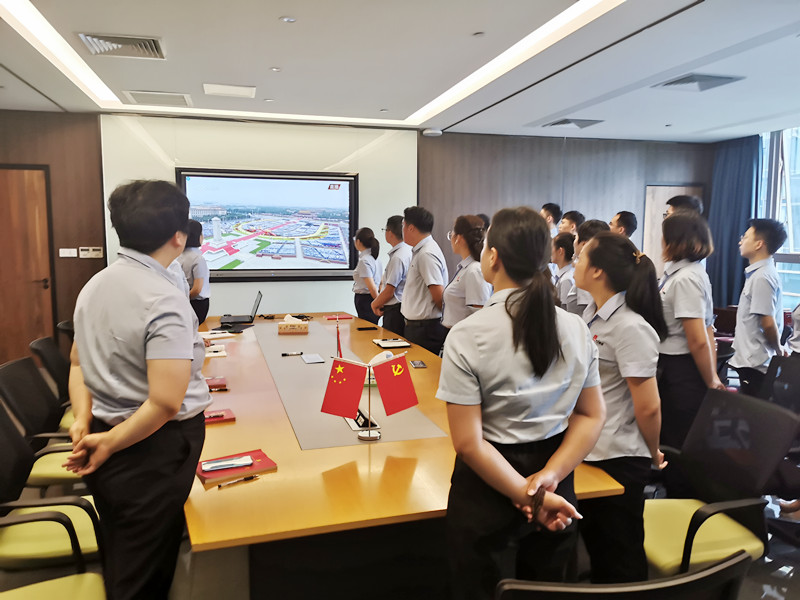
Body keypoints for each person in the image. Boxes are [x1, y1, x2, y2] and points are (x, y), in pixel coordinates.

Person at [437, 206, 605, 600]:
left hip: (489, 487)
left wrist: (528, 494)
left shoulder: (467, 335)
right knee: (546, 589)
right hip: (556, 475)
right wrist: (547, 480)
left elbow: (469, 443)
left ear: (493, 257)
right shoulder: (576, 327)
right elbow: (592, 415)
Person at [64, 180, 211, 600]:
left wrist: (82, 419)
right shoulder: (163, 298)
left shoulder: (95, 285)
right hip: (150, 449)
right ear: (178, 236)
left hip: (108, 436)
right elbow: (165, 402)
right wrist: (110, 443)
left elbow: (77, 363)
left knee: (126, 549)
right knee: (142, 572)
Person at [573, 232, 668, 582]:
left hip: (618, 456)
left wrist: (653, 453)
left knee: (620, 556)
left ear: (598, 271)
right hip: (589, 449)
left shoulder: (631, 327)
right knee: (598, 547)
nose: (575, 262)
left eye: (581, 256)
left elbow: (649, 407)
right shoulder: (591, 316)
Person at [657, 211, 723, 451]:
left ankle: (677, 477)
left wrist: (711, 380)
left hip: (681, 369)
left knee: (678, 439)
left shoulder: (687, 278)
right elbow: (707, 329)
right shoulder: (677, 274)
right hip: (673, 366)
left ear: (675, 240)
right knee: (671, 434)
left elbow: (698, 338)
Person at [729, 218, 788, 396]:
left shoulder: (762, 277)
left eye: (745, 237)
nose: (740, 241)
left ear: (759, 244)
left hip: (755, 364)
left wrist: (778, 350)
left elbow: (768, 323)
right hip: (750, 360)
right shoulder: (758, 274)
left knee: (754, 409)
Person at [400, 206, 449, 354]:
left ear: (411, 228)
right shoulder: (421, 251)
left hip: (425, 329)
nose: (402, 230)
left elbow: (439, 296)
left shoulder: (426, 254)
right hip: (419, 328)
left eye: (403, 225)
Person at [442, 215, 492, 329]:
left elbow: (480, 316)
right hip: (454, 332)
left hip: (464, 335)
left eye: (452, 234)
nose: (451, 238)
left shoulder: (474, 270)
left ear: (459, 238)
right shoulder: (465, 267)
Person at [371, 215, 411, 336]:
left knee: (391, 344)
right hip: (402, 309)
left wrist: (374, 304)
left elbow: (390, 290)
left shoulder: (398, 257)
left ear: (390, 232)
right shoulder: (408, 251)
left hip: (395, 312)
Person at [565, 219, 610, 315]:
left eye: (576, 238)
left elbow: (586, 312)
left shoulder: (586, 276)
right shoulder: (600, 271)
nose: (574, 242)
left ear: (584, 244)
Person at [177, 219, 211, 324]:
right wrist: (185, 299)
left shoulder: (179, 256)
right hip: (197, 303)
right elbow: (197, 289)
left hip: (185, 301)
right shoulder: (198, 259)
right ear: (197, 236)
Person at [352, 227, 382, 324]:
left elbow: (372, 287)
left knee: (367, 328)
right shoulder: (376, 259)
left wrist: (379, 303)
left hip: (366, 300)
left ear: (358, 242)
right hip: (372, 298)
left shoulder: (364, 260)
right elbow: (380, 282)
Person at [551, 232, 575, 310]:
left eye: (552, 247)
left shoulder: (566, 280)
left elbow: (563, 310)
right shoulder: (563, 275)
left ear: (560, 251)